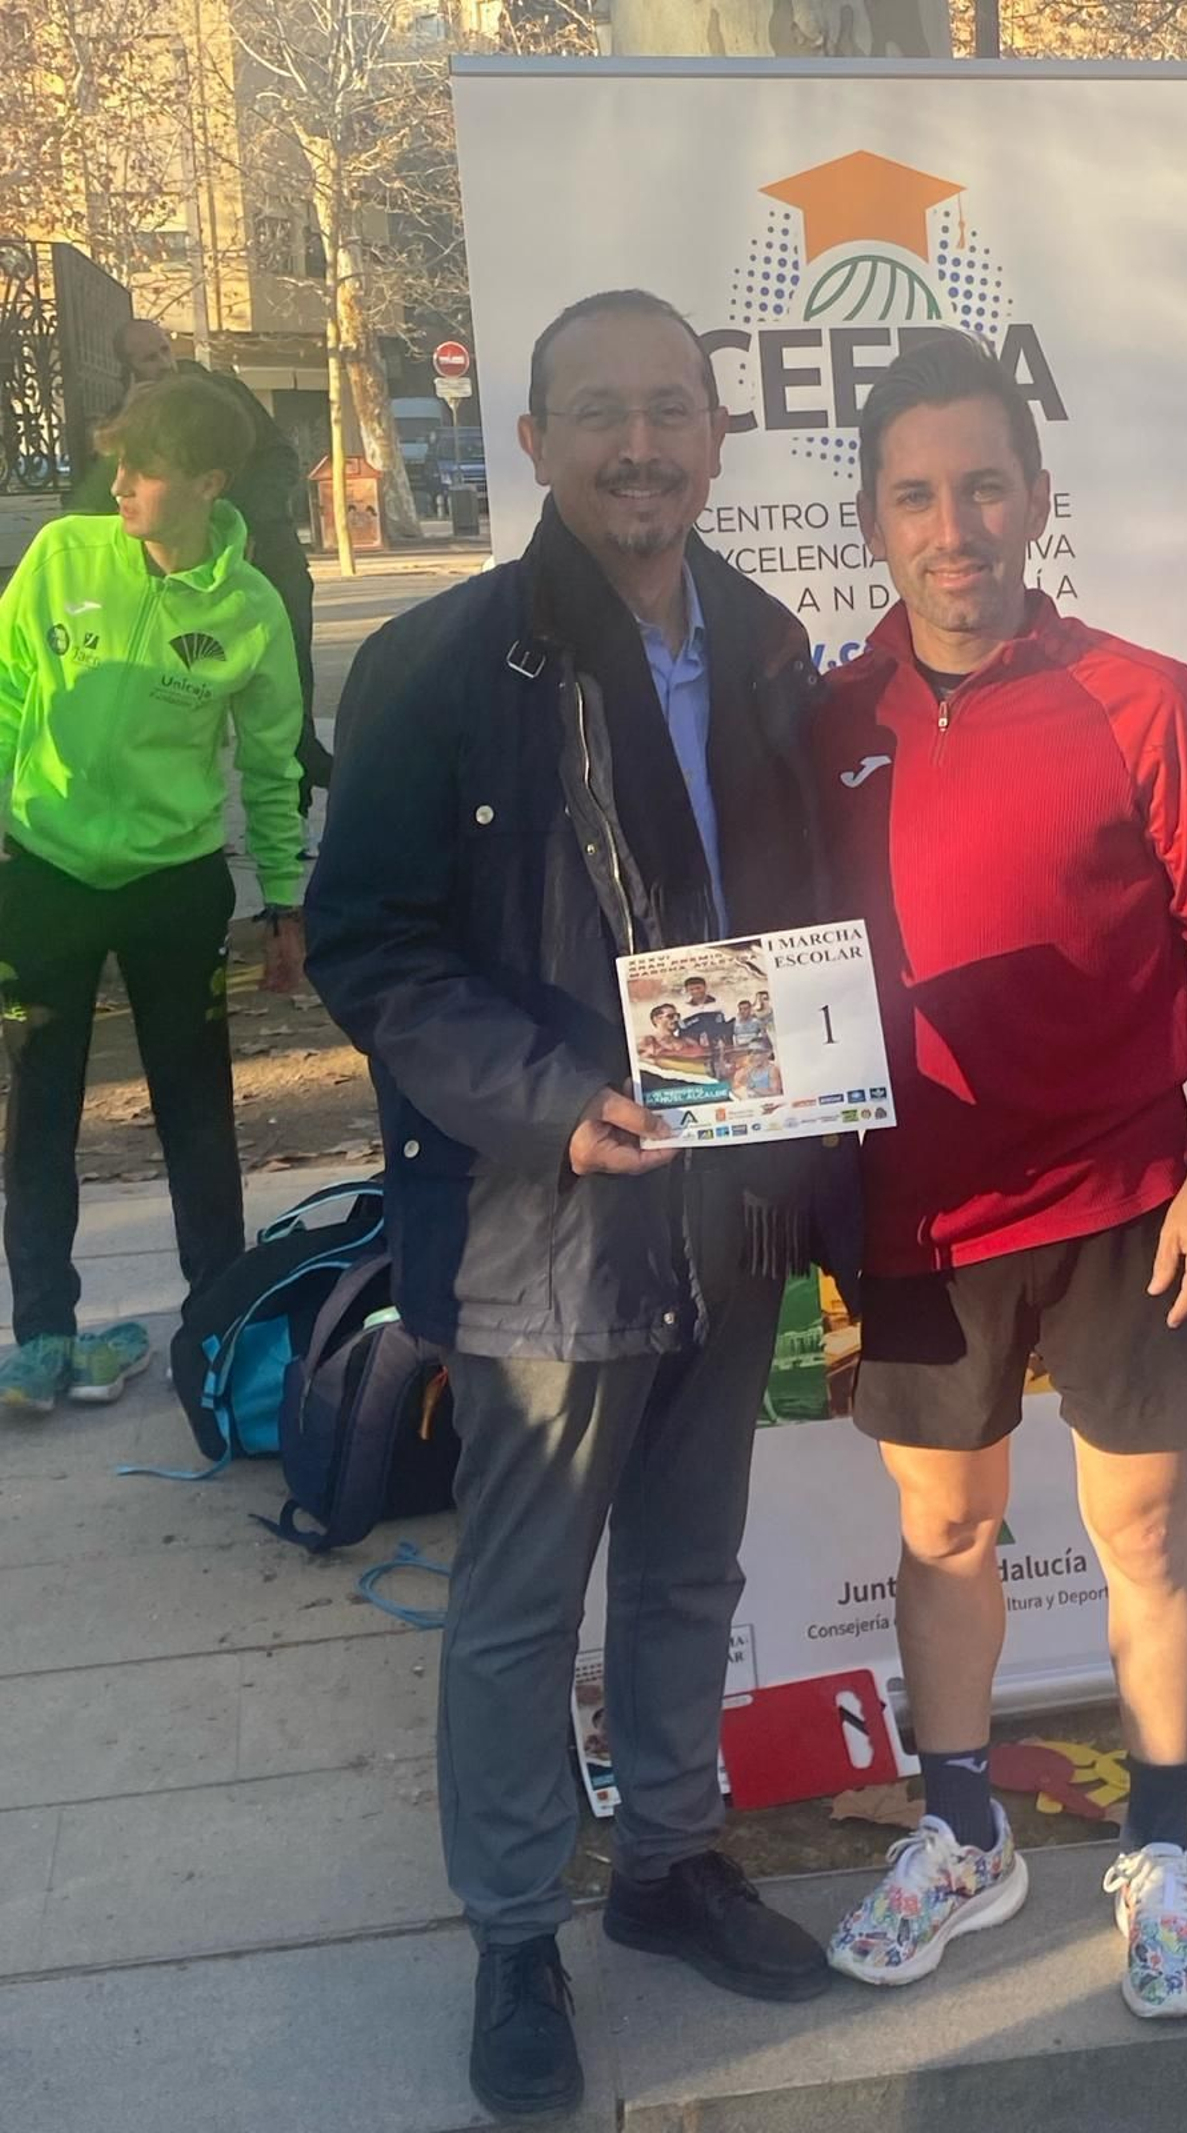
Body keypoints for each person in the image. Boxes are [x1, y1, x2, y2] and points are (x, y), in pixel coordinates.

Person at [304, 288, 855, 2123]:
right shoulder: (449, 666)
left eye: (672, 408)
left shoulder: (775, 642)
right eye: (600, 411)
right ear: (532, 443)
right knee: (523, 1606)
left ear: (718, 434)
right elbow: (366, 945)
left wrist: (826, 1140)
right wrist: (554, 1106)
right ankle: (514, 1929)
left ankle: (673, 1862)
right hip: (550, 1215)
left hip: (733, 1200)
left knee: (694, 1565)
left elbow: (816, 920)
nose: (642, 442)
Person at [813, 334, 1187, 2015]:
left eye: (987, 485)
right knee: (944, 1532)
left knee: (1141, 1527)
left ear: (1039, 496)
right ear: (873, 518)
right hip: (919, 1219)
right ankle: (963, 1831)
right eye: (920, 495)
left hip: (1119, 1198)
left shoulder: (1138, 694)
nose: (959, 525)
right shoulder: (829, 718)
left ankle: (1161, 1844)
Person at [0, 373, 306, 1413]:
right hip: (45, 875)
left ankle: (216, 1329)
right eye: (119, 461)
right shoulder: (63, 556)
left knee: (197, 1115)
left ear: (208, 482)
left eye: (144, 468)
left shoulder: (252, 608)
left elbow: (270, 770)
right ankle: (42, 1334)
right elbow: (5, 692)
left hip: (176, 888)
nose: (119, 482)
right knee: (39, 1111)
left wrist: (283, 902)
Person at [69, 319, 332, 812]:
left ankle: (295, 789)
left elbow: (278, 457)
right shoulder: (129, 419)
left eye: (165, 350)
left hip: (267, 556)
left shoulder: (222, 393)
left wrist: (249, 520)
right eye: (147, 358)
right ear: (127, 369)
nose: (163, 363)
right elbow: (95, 504)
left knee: (287, 676)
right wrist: (132, 419)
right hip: (185, 588)